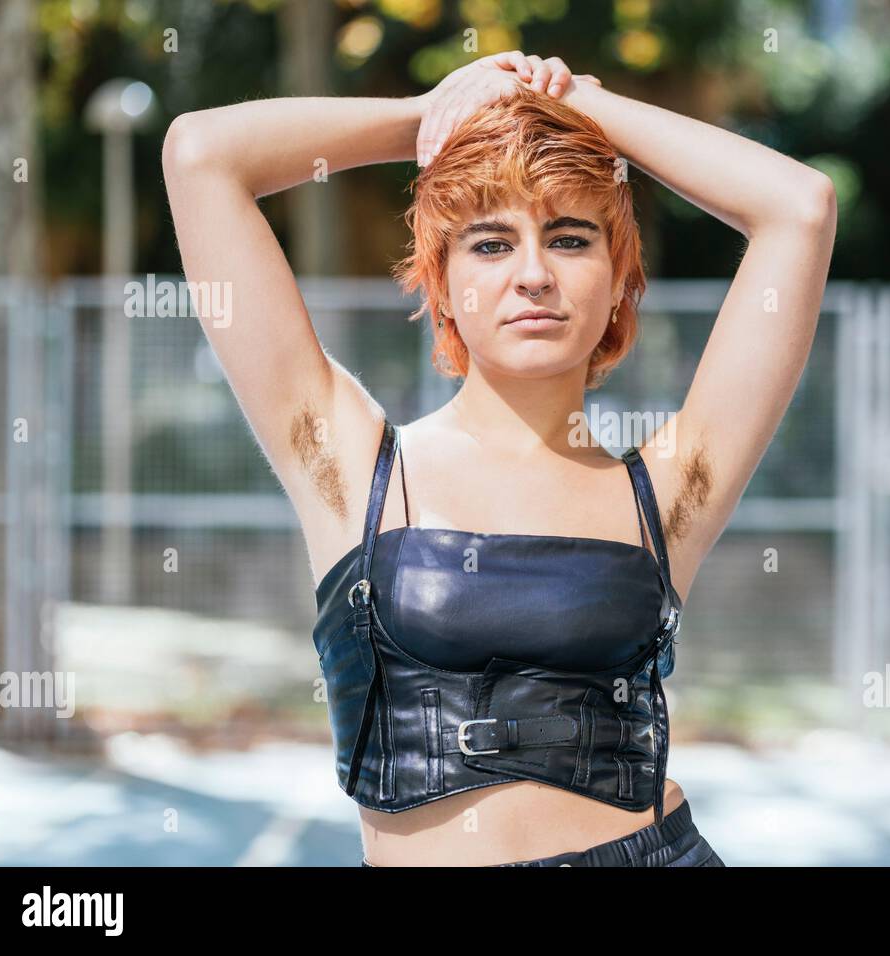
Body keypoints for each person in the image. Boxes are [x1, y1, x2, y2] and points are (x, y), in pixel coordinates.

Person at [162, 51, 837, 866]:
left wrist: (585, 103)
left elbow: (800, 206)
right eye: (490, 243)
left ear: (619, 276)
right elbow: (202, 156)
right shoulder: (352, 470)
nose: (534, 275)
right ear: (440, 282)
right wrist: (430, 116)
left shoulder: (669, 491)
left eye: (570, 237)